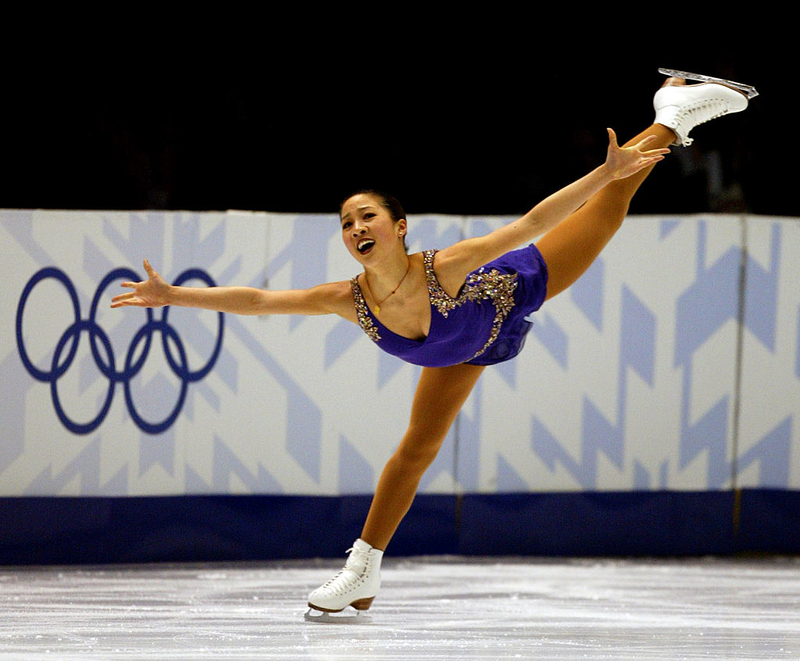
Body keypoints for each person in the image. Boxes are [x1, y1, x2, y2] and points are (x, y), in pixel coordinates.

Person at [111, 75, 751, 613]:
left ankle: (673, 114)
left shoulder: (442, 267)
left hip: (513, 291)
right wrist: (175, 298)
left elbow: (532, 223)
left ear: (399, 228)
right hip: (461, 349)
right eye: (347, 221)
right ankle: (362, 573)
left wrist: (598, 172)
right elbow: (258, 301)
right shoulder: (349, 299)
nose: (356, 226)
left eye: (368, 216)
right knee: (415, 449)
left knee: (613, 196)